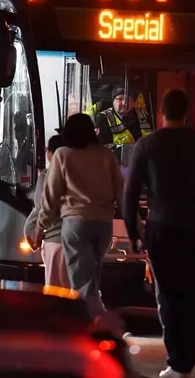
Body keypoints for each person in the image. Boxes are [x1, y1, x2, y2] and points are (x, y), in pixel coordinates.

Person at [123, 90, 195, 378]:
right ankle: (185, 362)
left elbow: (130, 194)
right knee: (192, 296)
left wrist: (134, 230)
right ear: (188, 112)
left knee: (167, 295)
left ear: (161, 113)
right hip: (194, 228)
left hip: (161, 228)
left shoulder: (147, 145)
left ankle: (175, 359)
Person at [36, 113, 124, 318]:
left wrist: (40, 227)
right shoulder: (106, 155)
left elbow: (51, 197)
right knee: (92, 275)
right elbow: (121, 191)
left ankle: (92, 324)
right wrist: (134, 224)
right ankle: (95, 320)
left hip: (75, 223)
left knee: (81, 280)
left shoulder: (63, 155)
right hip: (103, 223)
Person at [24, 134, 69, 288]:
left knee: (54, 290)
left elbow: (41, 207)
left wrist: (31, 232)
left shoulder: (46, 175)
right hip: (77, 240)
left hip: (55, 242)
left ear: (50, 153)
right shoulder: (79, 174)